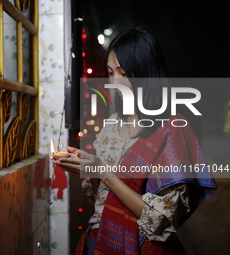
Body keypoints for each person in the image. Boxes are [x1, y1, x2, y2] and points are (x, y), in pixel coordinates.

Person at [51, 26, 217, 255]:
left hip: (143, 247)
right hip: (99, 243)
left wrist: (103, 171)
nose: (115, 83)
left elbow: (159, 220)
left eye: (125, 73)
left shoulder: (172, 130)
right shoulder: (113, 123)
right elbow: (100, 200)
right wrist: (89, 165)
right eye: (110, 73)